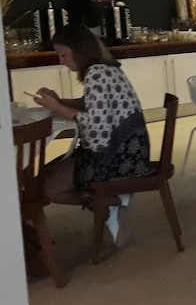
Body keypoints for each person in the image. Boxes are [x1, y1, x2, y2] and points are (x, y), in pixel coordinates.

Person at [34, 25, 153, 240]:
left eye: (63, 55)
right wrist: (59, 101)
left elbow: (95, 126)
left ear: (79, 51)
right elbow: (93, 105)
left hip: (119, 157)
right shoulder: (106, 68)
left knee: (47, 187)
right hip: (130, 150)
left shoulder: (96, 74)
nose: (61, 62)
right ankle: (108, 202)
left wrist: (57, 106)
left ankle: (110, 201)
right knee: (47, 174)